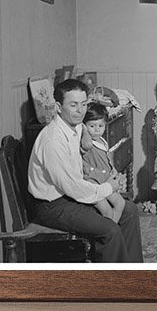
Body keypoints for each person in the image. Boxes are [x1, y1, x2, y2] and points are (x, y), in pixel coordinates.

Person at [28, 78, 143, 263]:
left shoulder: (74, 126)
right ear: (58, 107)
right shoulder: (53, 141)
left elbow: (83, 130)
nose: (80, 110)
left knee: (129, 209)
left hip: (71, 195)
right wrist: (108, 187)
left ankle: (132, 269)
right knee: (110, 230)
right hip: (54, 206)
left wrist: (86, 134)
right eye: (73, 105)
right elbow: (72, 187)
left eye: (83, 104)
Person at [80, 102, 127, 224]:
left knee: (120, 203)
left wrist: (114, 171)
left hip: (104, 179)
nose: (96, 130)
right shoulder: (86, 142)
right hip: (92, 183)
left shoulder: (101, 141)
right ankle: (110, 232)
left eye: (100, 126)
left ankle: (113, 228)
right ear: (84, 125)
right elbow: (87, 145)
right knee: (106, 210)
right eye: (92, 126)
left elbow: (106, 160)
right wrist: (84, 130)